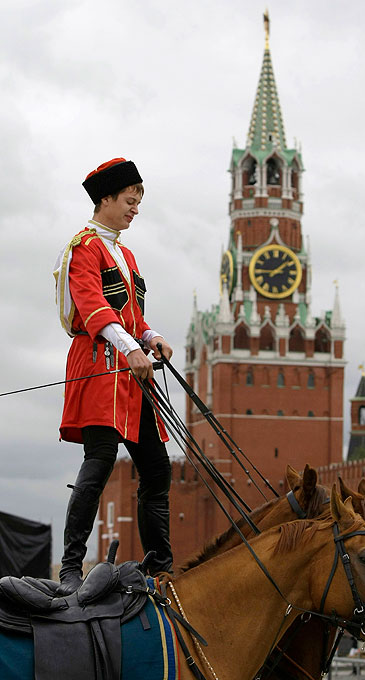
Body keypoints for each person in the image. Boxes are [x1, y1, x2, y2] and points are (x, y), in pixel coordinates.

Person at [53, 158, 173, 594]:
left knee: (156, 470)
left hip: (131, 372)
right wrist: (130, 348)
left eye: (138, 201)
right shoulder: (85, 247)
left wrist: (151, 337)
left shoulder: (126, 253)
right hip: (101, 368)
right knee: (99, 463)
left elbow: (131, 315)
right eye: (129, 199)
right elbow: (92, 307)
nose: (135, 208)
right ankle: (70, 567)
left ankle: (161, 565)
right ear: (105, 198)